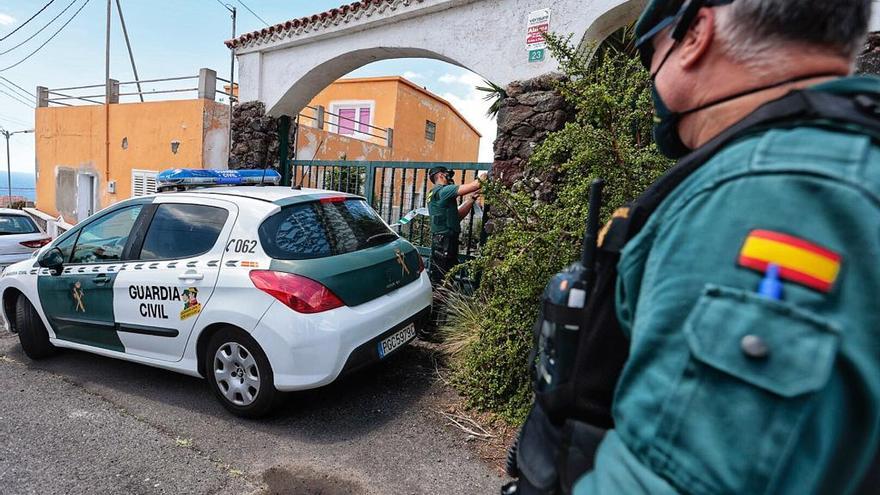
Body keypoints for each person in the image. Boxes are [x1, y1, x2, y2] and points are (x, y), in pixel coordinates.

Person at [511, 0, 880, 494]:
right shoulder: (845, 151)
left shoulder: (767, 194)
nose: (649, 85)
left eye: (649, 56)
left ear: (697, 35)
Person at [426, 166, 487, 286]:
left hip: (444, 242)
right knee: (443, 279)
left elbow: (456, 217)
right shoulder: (443, 191)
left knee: (445, 277)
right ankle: (439, 303)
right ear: (440, 175)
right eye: (447, 175)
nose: (450, 178)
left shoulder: (436, 193)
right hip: (444, 243)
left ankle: (441, 302)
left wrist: (471, 200)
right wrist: (487, 173)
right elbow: (476, 184)